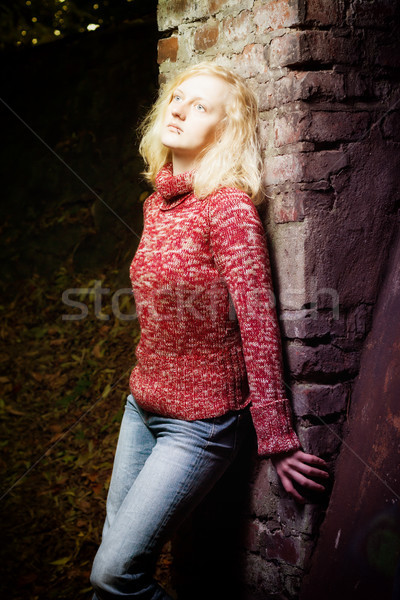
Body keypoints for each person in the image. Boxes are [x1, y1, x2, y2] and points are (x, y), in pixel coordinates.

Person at [90, 61, 329, 600]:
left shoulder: (228, 207)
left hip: (199, 425)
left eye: (201, 106)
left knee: (113, 578)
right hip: (141, 408)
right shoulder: (157, 205)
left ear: (223, 131)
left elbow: (259, 322)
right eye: (177, 97)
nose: (178, 107)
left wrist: (277, 438)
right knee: (114, 562)